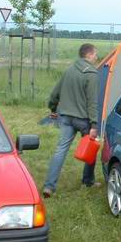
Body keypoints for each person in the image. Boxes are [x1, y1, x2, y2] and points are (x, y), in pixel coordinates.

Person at [42, 43, 99, 198]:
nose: (96, 57)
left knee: (60, 150)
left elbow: (55, 93)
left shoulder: (69, 70)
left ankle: (49, 186)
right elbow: (93, 102)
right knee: (91, 147)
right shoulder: (92, 74)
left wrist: (53, 108)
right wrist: (95, 124)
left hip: (65, 117)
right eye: (95, 54)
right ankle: (88, 180)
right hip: (84, 120)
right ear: (88, 55)